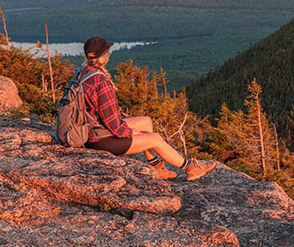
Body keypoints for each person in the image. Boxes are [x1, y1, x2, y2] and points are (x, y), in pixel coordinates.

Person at [78, 36, 217, 181]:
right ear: (104, 55)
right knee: (155, 139)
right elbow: (113, 124)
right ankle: (191, 168)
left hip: (91, 131)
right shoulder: (101, 82)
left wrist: (132, 130)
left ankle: (157, 168)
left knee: (146, 122)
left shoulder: (83, 72)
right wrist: (131, 132)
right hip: (100, 141)